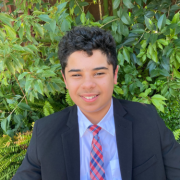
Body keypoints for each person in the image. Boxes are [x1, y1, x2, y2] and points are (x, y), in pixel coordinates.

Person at [13, 26, 180, 180]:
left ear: (114, 75)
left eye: (99, 73)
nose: (88, 84)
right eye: (76, 75)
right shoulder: (45, 133)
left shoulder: (148, 120)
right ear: (65, 79)